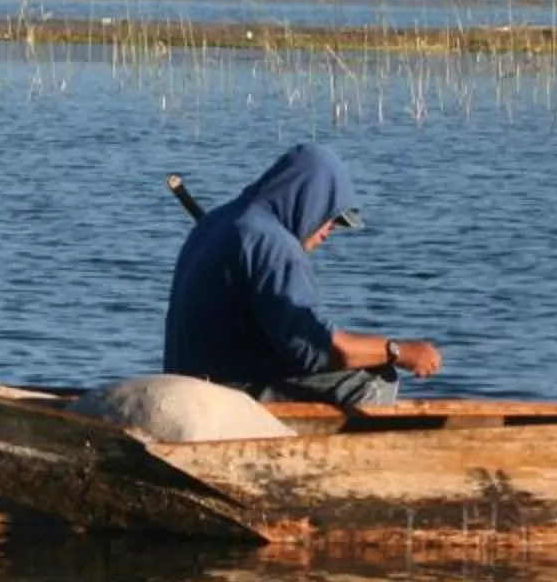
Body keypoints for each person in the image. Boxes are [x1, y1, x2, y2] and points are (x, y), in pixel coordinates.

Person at [164, 142, 443, 407]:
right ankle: (344, 456)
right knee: (375, 380)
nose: (331, 228)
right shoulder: (271, 242)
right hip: (222, 392)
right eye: (331, 216)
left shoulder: (219, 222)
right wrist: (398, 351)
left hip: (188, 380)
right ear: (308, 198)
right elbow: (321, 350)